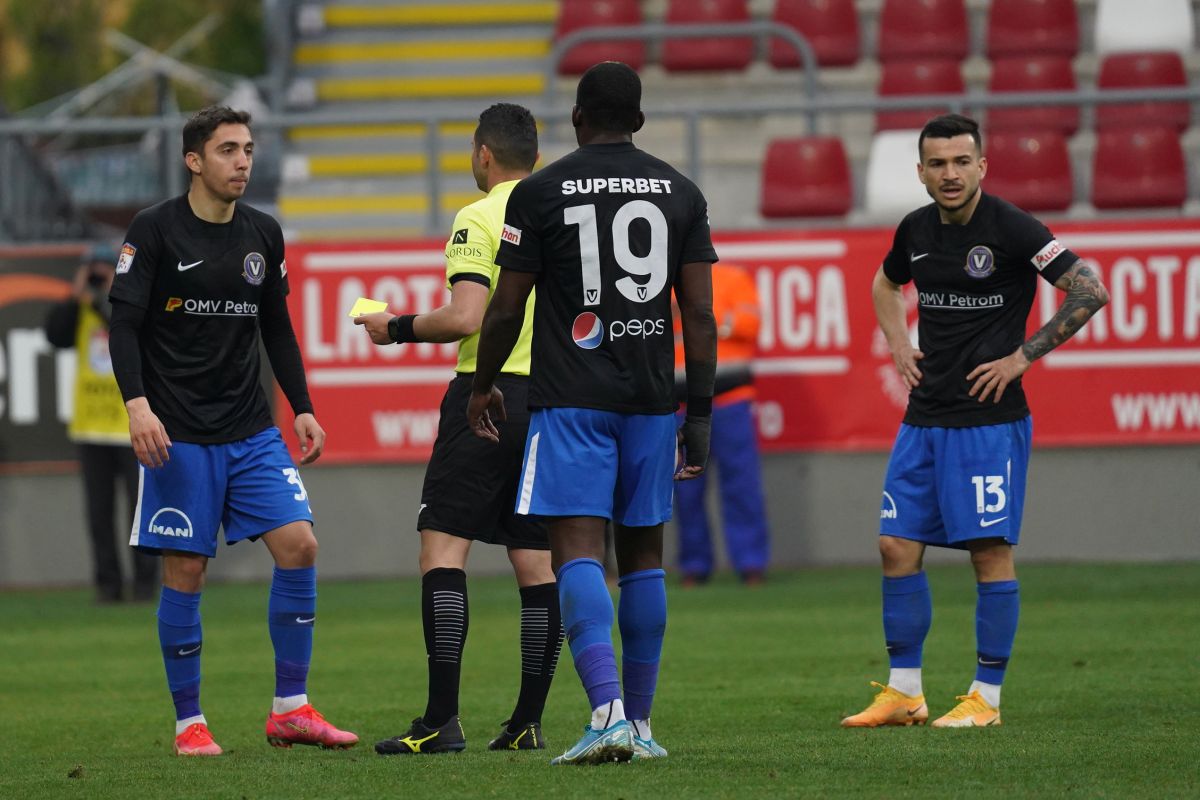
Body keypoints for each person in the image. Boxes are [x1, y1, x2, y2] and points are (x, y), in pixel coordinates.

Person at [466, 61, 718, 765]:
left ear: (576, 119)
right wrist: (697, 413)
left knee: (575, 551)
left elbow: (507, 304)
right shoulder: (682, 192)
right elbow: (698, 313)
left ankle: (603, 712)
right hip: (648, 402)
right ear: (638, 120)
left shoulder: (540, 193)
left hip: (571, 399)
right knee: (643, 558)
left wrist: (481, 386)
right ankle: (638, 725)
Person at [842, 114, 1109, 729]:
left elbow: (1089, 290)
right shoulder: (914, 230)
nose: (951, 174)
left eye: (962, 161)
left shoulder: (1013, 228)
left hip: (988, 423)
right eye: (938, 164)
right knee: (894, 545)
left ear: (982, 166)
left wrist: (1021, 358)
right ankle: (906, 693)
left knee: (987, 553)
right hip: (924, 417)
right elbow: (885, 283)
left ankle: (985, 698)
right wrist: (896, 342)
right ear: (921, 172)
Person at [107, 105, 358, 756]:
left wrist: (300, 404)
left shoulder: (262, 234)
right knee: (186, 569)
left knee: (300, 545)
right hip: (178, 433)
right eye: (227, 150)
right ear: (195, 161)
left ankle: (291, 709)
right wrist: (137, 405)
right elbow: (124, 325)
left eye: (248, 149)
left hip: (251, 429)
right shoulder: (154, 230)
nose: (243, 160)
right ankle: (190, 721)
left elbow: (275, 325)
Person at [354, 103, 565, 756]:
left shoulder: (480, 216)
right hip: (557, 402)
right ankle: (527, 722)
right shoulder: (563, 214)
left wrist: (398, 327)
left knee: (443, 551)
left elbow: (468, 316)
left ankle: (440, 722)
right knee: (537, 562)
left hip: (489, 394)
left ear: (482, 154)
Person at [45, 244, 159, 603]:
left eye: (104, 271)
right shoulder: (79, 310)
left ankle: (144, 585)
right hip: (91, 427)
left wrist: (108, 295)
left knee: (138, 513)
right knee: (98, 515)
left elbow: (125, 331)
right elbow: (55, 335)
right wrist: (76, 294)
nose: (97, 277)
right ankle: (107, 585)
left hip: (129, 427)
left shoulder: (130, 310)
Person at [672, 262, 769, 586]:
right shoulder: (658, 284)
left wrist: (698, 317)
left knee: (742, 485)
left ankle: (751, 563)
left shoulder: (733, 278)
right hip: (678, 405)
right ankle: (694, 565)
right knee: (684, 489)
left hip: (730, 400)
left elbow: (751, 324)